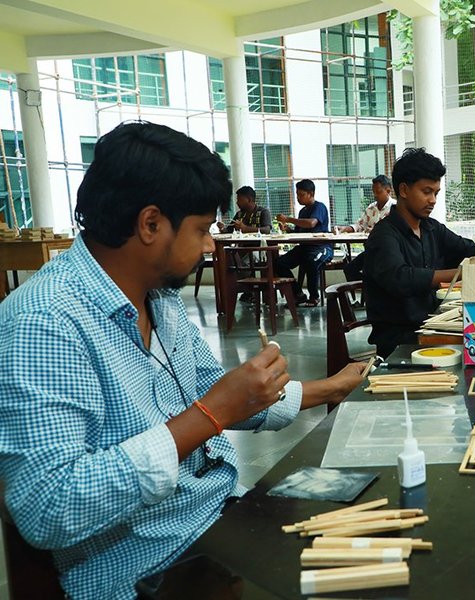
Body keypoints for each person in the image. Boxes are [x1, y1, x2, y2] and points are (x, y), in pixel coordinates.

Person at [0, 122, 365, 600]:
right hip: (145, 570)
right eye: (201, 229)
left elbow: (219, 388)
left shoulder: (158, 297)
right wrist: (210, 415)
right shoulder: (44, 323)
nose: (210, 245)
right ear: (151, 223)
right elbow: (49, 508)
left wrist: (329, 389)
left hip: (213, 523)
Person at [363, 148, 475, 358]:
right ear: (404, 190)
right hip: (400, 340)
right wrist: (463, 272)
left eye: (436, 193)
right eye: (426, 192)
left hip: (433, 326)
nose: (433, 200)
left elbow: (467, 248)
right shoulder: (383, 235)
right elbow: (400, 277)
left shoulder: (431, 228)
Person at [275, 180, 333, 307]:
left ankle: (314, 297)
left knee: (311, 261)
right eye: (297, 194)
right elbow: (299, 231)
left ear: (311, 194)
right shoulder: (302, 212)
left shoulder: (320, 207)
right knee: (279, 263)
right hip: (304, 247)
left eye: (301, 194)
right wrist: (288, 229)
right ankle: (298, 294)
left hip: (321, 247)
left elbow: (311, 223)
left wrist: (288, 219)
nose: (298, 197)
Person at [341, 175, 395, 283]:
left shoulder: (396, 207)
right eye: (373, 192)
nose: (375, 195)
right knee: (349, 269)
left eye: (378, 192)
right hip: (371, 250)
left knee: (374, 274)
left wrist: (376, 231)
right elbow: (360, 225)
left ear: (388, 190)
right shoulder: (371, 208)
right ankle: (369, 287)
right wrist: (344, 228)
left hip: (388, 252)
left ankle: (371, 287)